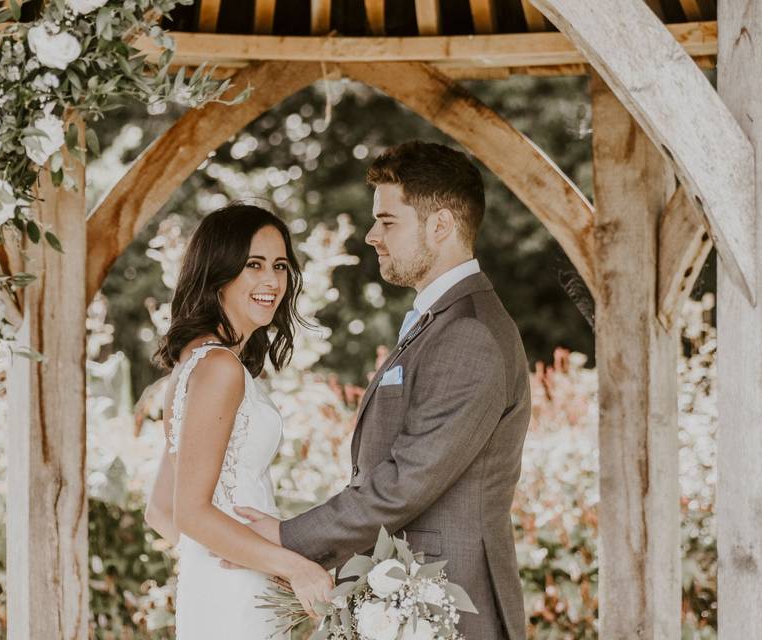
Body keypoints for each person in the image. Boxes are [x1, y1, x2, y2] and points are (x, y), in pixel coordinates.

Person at [232, 142, 532, 639]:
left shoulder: (469, 334)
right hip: (405, 602)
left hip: (453, 608)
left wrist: (288, 538)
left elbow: (405, 482)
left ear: (441, 226)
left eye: (388, 222)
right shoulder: (440, 321)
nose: (372, 236)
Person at [143, 203, 334, 638]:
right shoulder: (220, 369)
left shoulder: (195, 362)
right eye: (254, 265)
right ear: (220, 272)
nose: (272, 281)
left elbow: (161, 509)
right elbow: (189, 513)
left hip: (229, 584)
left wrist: (235, 563)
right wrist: (292, 566)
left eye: (281, 266)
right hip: (240, 593)